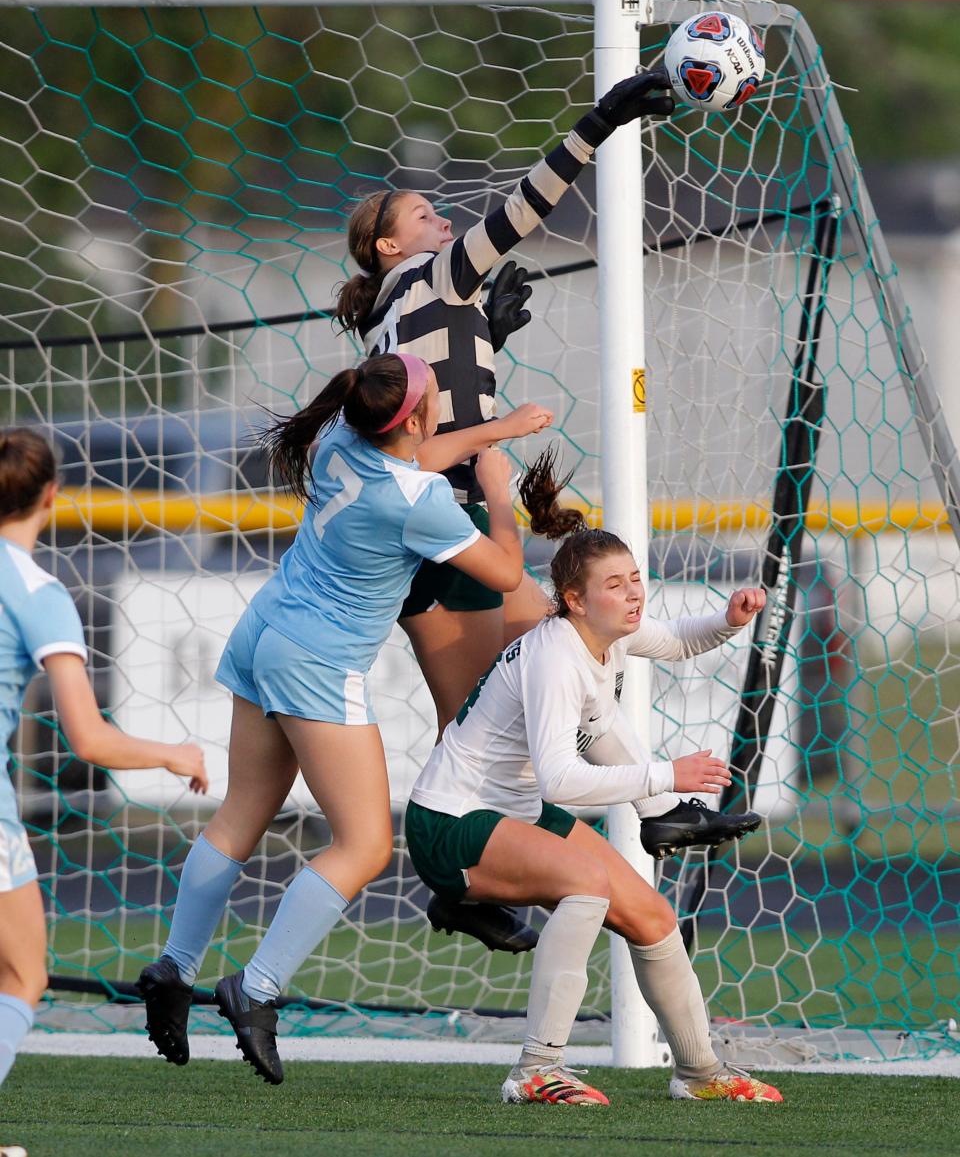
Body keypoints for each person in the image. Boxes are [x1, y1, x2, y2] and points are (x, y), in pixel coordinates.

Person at [335, 71, 761, 949]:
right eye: (419, 216)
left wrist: (486, 337)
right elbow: (522, 209)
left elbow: (431, 395)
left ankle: (653, 813)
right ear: (387, 248)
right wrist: (600, 122)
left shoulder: (401, 308)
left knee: (535, 685)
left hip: (447, 535)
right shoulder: (426, 276)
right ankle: (506, 871)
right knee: (495, 721)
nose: (440, 221)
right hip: (437, 543)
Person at [136, 352, 528, 1086]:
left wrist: (494, 431)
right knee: (366, 844)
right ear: (413, 417)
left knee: (240, 814)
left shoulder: (338, 440)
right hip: (318, 661)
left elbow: (417, 460)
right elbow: (505, 572)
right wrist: (501, 497)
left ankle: (175, 965)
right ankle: (255, 987)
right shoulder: (419, 499)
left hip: (264, 631)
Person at [404, 452, 783, 1105]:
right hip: (450, 821)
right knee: (587, 884)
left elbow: (680, 640)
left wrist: (730, 618)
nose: (634, 593)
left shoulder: (608, 634)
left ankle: (700, 1072)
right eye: (616, 584)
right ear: (574, 600)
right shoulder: (556, 653)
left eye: (636, 578)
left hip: (511, 814)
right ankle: (537, 1068)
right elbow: (560, 779)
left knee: (654, 916)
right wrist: (666, 774)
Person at [0, 427, 209, 1147]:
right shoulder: (38, 591)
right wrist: (173, 752)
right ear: (53, 496)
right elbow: (88, 738)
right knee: (23, 973)